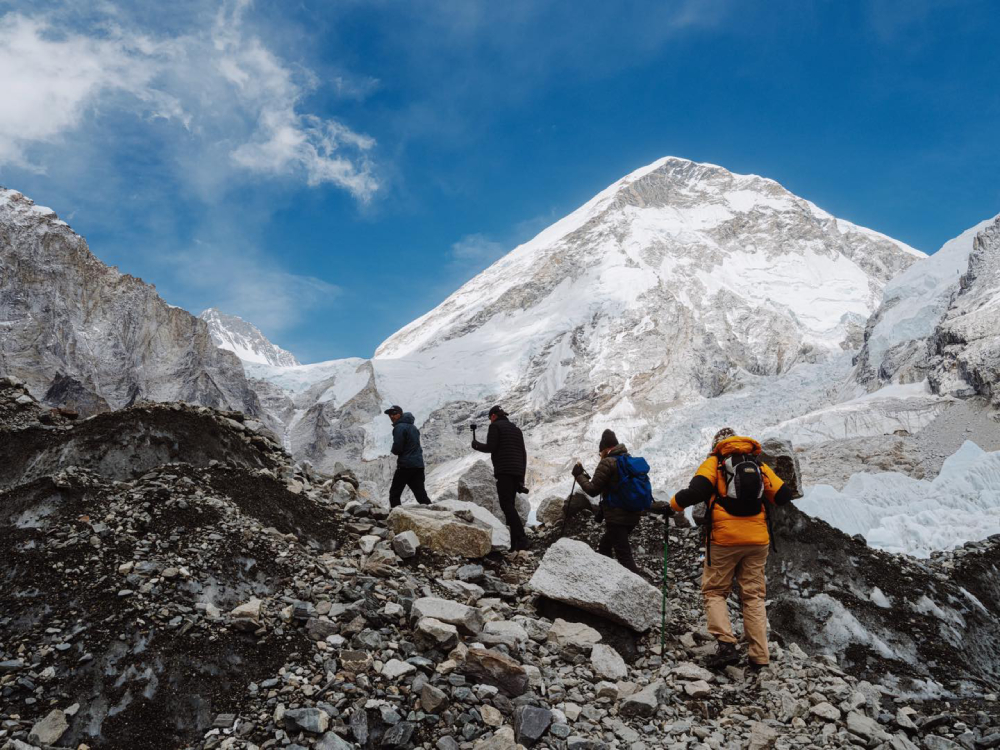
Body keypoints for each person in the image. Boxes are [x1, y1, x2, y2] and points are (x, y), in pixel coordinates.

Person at [669, 427, 794, 672]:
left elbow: (696, 492)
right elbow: (783, 495)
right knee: (754, 596)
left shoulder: (714, 463)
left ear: (717, 444)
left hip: (724, 541)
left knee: (715, 591)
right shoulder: (756, 464)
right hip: (757, 541)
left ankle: (727, 645)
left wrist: (671, 505)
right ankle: (759, 656)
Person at [572, 429, 643, 575]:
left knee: (624, 556)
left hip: (617, 518)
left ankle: (639, 590)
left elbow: (592, 490)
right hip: (633, 514)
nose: (600, 455)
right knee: (605, 546)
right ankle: (610, 579)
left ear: (605, 449)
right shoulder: (628, 461)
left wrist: (579, 476)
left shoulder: (607, 463)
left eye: (600, 453)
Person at [471, 405, 531, 551]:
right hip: (517, 471)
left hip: (504, 470)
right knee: (510, 504)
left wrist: (476, 445)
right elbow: (523, 453)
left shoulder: (495, 427)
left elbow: (491, 447)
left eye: (490, 418)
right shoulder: (516, 430)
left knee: (506, 505)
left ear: (493, 416)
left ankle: (522, 539)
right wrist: (521, 477)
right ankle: (514, 543)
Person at [384, 405, 432, 508]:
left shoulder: (399, 427)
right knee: (421, 495)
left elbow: (398, 447)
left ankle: (396, 516)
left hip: (405, 466)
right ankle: (433, 514)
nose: (392, 416)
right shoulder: (413, 427)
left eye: (394, 413)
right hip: (418, 466)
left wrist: (394, 450)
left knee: (394, 493)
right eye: (390, 414)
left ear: (400, 414)